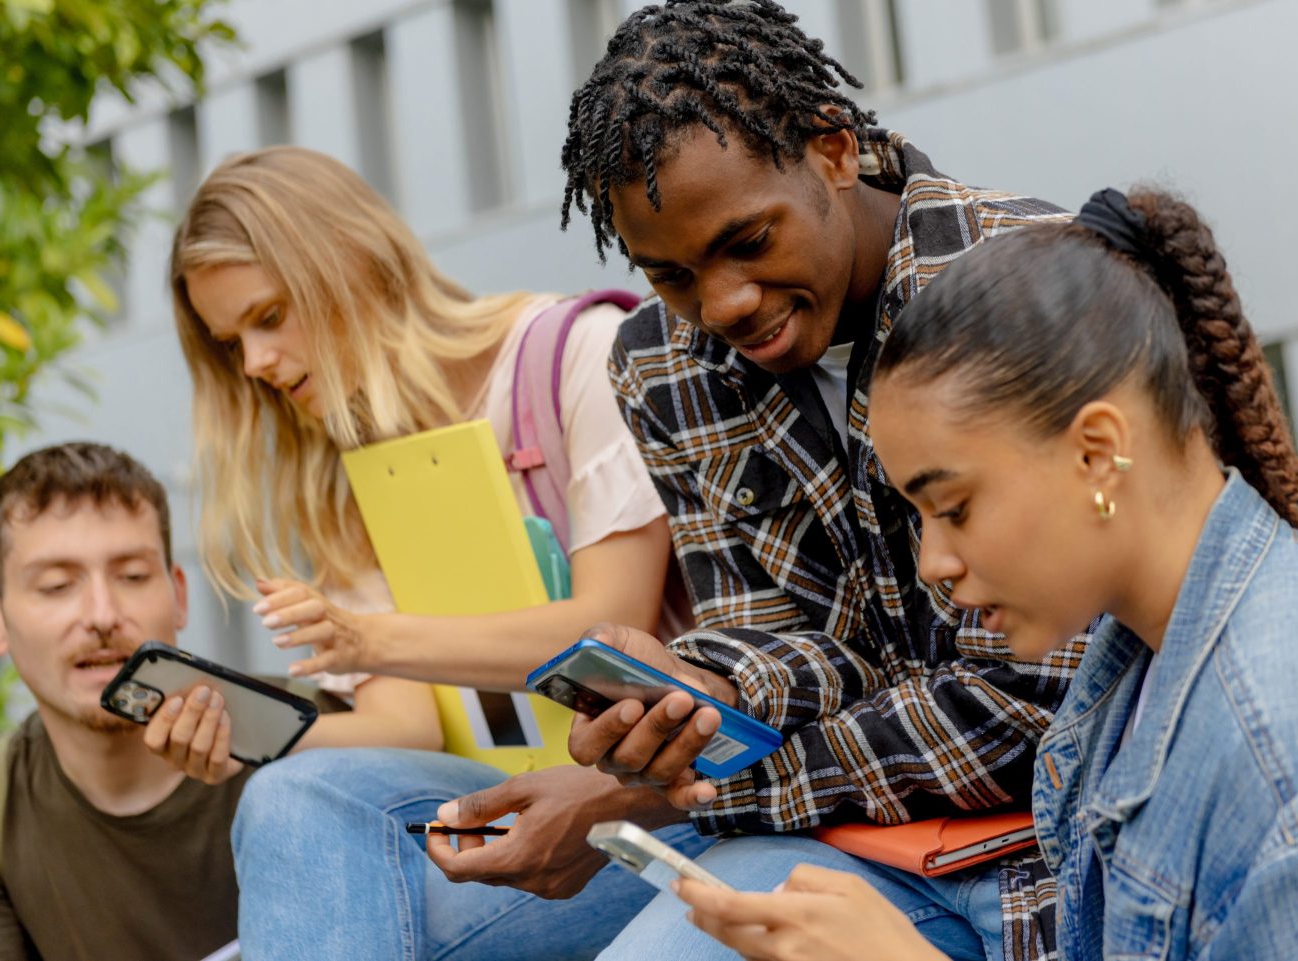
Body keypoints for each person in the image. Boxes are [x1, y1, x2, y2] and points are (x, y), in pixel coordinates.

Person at [431, 3, 1085, 960]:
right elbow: (793, 639)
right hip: (842, 830)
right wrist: (700, 685)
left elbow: (1038, 694)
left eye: (748, 242)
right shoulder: (660, 362)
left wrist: (682, 787)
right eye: (672, 275)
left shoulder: (1018, 286)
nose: (723, 304)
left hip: (1055, 846)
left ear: (833, 150)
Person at [672, 187, 1298, 960]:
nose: (933, 563)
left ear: (1096, 452)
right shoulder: (1140, 652)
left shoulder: (1285, 755)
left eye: (953, 506)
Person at [165, 145, 709, 960]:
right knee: (287, 794)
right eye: (230, 341)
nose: (254, 364)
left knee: (363, 917)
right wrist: (239, 729)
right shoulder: (346, 473)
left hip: (656, 794)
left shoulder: (576, 355)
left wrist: (369, 638)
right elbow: (410, 722)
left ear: (348, 262)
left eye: (269, 317)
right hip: (495, 789)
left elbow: (611, 630)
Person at [0, 442, 248, 961]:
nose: (102, 614)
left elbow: (434, 838)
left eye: (132, 576)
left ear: (179, 595)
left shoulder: (310, 734)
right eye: (57, 585)